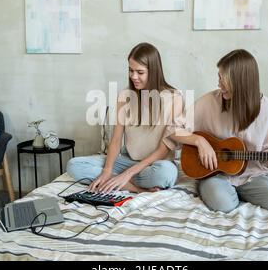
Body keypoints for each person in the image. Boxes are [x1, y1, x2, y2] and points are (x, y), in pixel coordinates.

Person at [170, 49, 268, 261]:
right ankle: (229, 194)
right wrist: (199, 141)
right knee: (222, 202)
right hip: (216, 174)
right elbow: (174, 128)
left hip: (253, 176)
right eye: (219, 76)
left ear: (241, 81)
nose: (218, 82)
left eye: (223, 78)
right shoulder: (209, 102)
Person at [67, 42, 185, 194]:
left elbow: (163, 150)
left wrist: (127, 174)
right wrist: (107, 170)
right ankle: (134, 187)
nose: (133, 77)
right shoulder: (125, 96)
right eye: (131, 70)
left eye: (140, 72)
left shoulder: (174, 98)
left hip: (154, 165)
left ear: (154, 71)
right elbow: (116, 140)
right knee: (74, 165)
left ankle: (122, 180)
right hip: (126, 161)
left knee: (166, 174)